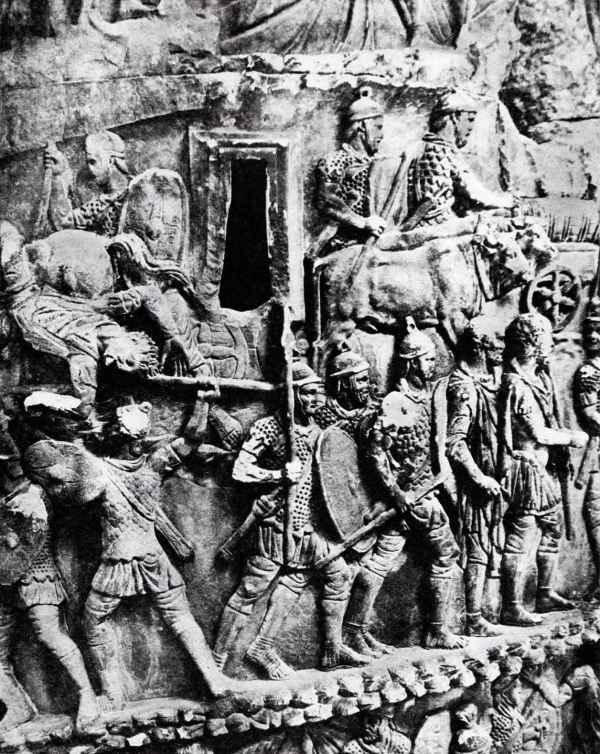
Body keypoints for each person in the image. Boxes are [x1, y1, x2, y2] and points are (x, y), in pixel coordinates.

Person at [23, 396, 246, 706]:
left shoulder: (100, 472)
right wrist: (202, 400)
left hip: (120, 559)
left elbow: (68, 487)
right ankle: (214, 680)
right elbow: (192, 438)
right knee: (180, 617)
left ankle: (112, 694)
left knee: (94, 622)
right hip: (153, 557)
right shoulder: (154, 466)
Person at [213, 361, 370, 679]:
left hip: (308, 524)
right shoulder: (270, 427)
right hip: (276, 522)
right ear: (293, 394)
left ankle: (325, 649)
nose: (315, 399)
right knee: (251, 589)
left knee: (338, 575)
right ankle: (215, 661)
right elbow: (240, 470)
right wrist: (277, 474)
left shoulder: (320, 428)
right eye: (308, 393)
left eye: (318, 393)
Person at [363, 317, 465, 649]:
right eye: (427, 359)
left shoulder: (427, 397)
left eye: (433, 358)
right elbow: (377, 452)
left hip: (423, 489)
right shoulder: (398, 402)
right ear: (410, 363)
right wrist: (396, 493)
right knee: (446, 553)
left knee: (382, 559)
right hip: (413, 495)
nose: (432, 364)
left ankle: (352, 628)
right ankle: (436, 630)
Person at [0, 405, 102, 734]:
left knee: (50, 635)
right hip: (4, 577)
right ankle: (16, 707)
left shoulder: (36, 493)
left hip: (36, 574)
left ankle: (87, 697)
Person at [498, 313, 587, 626]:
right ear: (533, 343)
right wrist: (572, 438)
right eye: (547, 337)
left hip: (543, 469)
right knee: (520, 538)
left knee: (552, 529)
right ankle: (511, 606)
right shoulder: (516, 384)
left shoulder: (538, 378)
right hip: (525, 470)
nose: (552, 342)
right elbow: (538, 433)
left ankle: (545, 594)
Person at [446, 319, 505, 636]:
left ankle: (489, 611)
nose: (504, 348)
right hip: (475, 486)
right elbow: (455, 442)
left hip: (497, 478)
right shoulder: (464, 387)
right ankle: (472, 617)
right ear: (481, 346)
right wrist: (479, 477)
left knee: (492, 545)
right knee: (477, 549)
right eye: (499, 341)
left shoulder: (488, 379)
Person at [403, 89, 515, 232]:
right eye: (469, 120)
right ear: (455, 118)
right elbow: (475, 193)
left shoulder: (427, 147)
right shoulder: (442, 151)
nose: (471, 127)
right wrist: (507, 201)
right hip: (437, 225)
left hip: (435, 222)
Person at [313, 88, 387, 255]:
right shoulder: (336, 160)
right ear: (362, 127)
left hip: (376, 242)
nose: (382, 135)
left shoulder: (379, 163)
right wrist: (362, 222)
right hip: (345, 243)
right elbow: (325, 200)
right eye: (378, 127)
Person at [43, 131, 133, 238]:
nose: (89, 169)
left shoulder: (136, 191)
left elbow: (64, 222)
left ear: (110, 161)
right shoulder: (102, 203)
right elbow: (64, 223)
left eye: (92, 162)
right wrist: (58, 176)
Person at [573, 297, 600, 602]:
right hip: (596, 455)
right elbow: (591, 415)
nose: (592, 336)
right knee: (595, 516)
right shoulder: (588, 372)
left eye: (599, 330)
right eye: (588, 329)